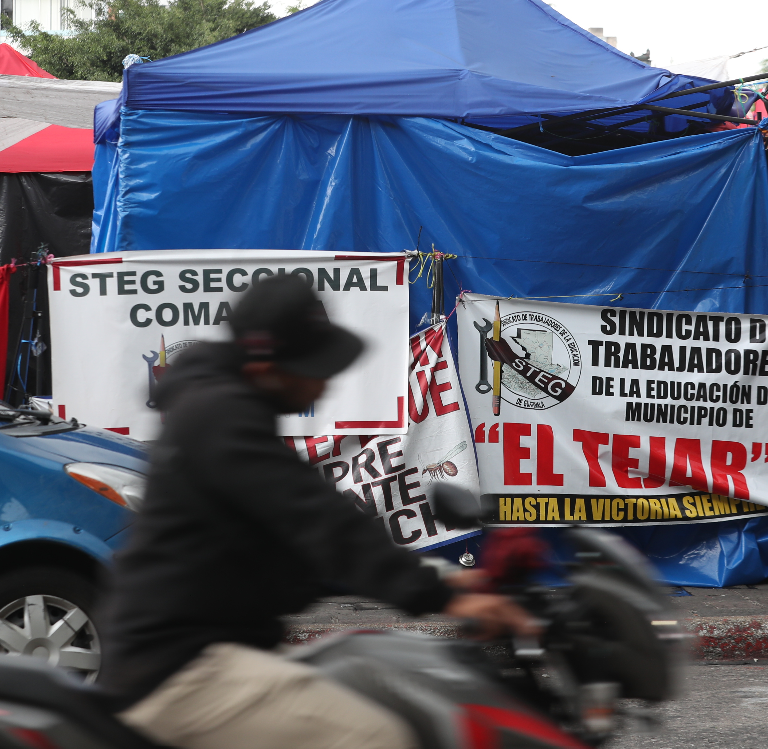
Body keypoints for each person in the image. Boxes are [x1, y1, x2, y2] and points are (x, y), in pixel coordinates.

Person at [99, 273, 535, 749]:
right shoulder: (218, 415)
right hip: (181, 668)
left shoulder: (224, 406)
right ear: (268, 364)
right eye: (312, 366)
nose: (324, 381)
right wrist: (441, 599)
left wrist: (445, 579)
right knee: (379, 737)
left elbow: (314, 531)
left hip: (219, 648)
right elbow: (319, 522)